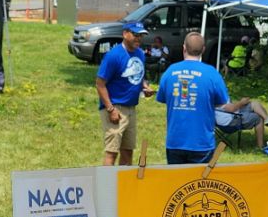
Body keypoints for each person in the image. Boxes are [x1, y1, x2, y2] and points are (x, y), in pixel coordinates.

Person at [155, 32, 229, 165]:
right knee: (199, 184)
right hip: (202, 142)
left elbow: (163, 97)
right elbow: (222, 102)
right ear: (203, 49)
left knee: (177, 183)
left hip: (175, 141)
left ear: (184, 48)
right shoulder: (212, 73)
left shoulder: (170, 71)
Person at [96, 20, 150, 166]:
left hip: (131, 108)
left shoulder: (140, 54)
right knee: (112, 152)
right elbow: (100, 84)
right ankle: (106, 187)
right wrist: (110, 109)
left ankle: (124, 186)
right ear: (125, 34)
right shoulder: (114, 56)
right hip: (115, 108)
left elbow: (138, 75)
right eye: (135, 34)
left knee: (128, 151)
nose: (138, 38)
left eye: (141, 35)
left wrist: (144, 86)